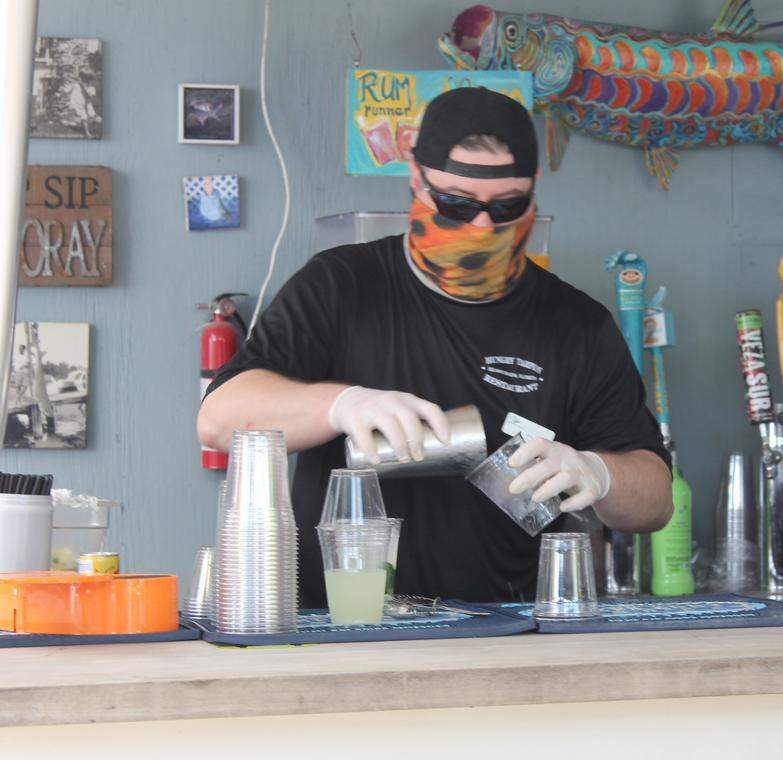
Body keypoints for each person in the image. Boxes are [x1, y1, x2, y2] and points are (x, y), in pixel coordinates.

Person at [198, 87, 672, 605]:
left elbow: (655, 502)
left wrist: (598, 472)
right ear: (416, 180)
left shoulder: (577, 325)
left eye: (507, 206)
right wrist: (340, 404)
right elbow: (219, 419)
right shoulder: (342, 286)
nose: (481, 226)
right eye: (455, 203)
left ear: (533, 192)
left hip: (508, 631)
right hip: (344, 627)